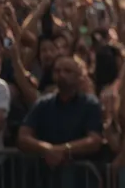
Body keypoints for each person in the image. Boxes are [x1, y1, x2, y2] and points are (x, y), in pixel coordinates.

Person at [17, 55, 103, 187]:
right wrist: (47, 149)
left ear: (79, 76)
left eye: (67, 71)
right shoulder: (43, 103)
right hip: (45, 179)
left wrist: (63, 150)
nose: (61, 74)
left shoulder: (90, 104)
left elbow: (94, 140)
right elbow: (23, 136)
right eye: (57, 71)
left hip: (80, 180)